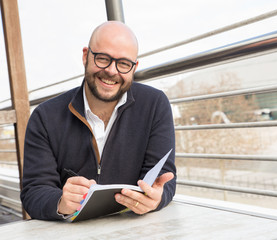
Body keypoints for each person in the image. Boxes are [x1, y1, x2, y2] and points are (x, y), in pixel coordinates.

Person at [20, 21, 176, 220]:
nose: (112, 71)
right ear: (86, 56)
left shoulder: (155, 104)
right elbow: (33, 192)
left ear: (134, 67)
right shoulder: (45, 116)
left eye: (124, 64)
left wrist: (157, 198)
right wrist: (60, 202)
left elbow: (165, 178)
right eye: (102, 59)